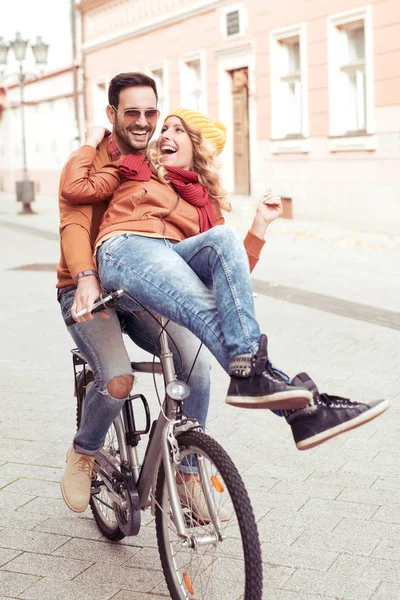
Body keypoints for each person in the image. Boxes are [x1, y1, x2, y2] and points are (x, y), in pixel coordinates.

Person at [61, 102, 389, 469]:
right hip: (126, 250)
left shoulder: (206, 206)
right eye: (164, 128)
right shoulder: (135, 167)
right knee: (204, 315)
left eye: (178, 130)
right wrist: (91, 141)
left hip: (164, 272)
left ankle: (202, 459)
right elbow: (76, 191)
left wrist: (260, 227)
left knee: (222, 246)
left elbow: (230, 287)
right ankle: (295, 401)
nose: (165, 135)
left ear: (197, 146)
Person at [57, 72, 287, 516]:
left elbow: (225, 276)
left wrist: (258, 228)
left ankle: (184, 472)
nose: (149, 126)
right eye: (135, 115)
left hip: (143, 292)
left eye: (155, 117)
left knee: (197, 368)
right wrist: (85, 275)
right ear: (112, 116)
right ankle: (84, 451)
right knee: (117, 378)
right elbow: (74, 218)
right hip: (88, 287)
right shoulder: (114, 163)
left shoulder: (189, 192)